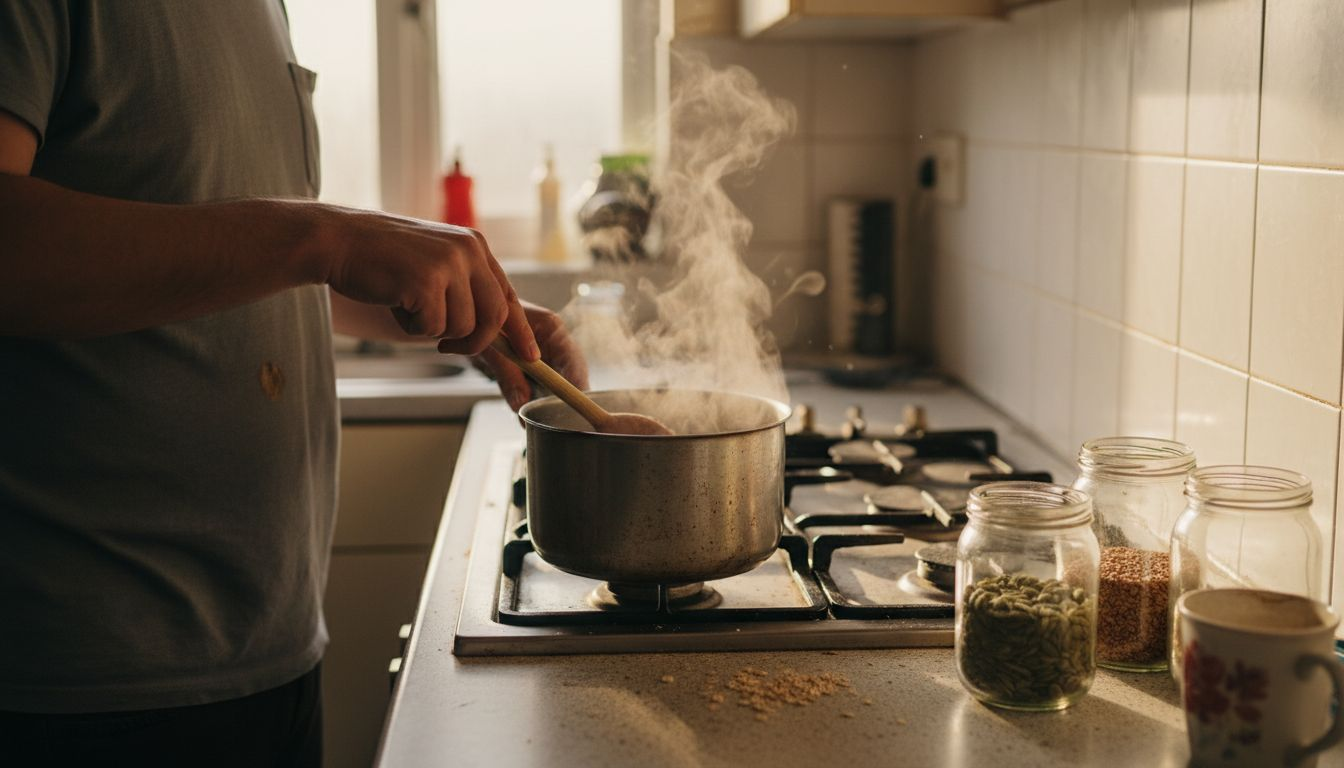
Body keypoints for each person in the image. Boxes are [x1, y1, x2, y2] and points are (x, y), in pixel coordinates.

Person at [0, 3, 587, 765]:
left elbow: (237, 254)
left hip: (268, 642)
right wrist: (327, 234)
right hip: (90, 678)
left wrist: (461, 307)